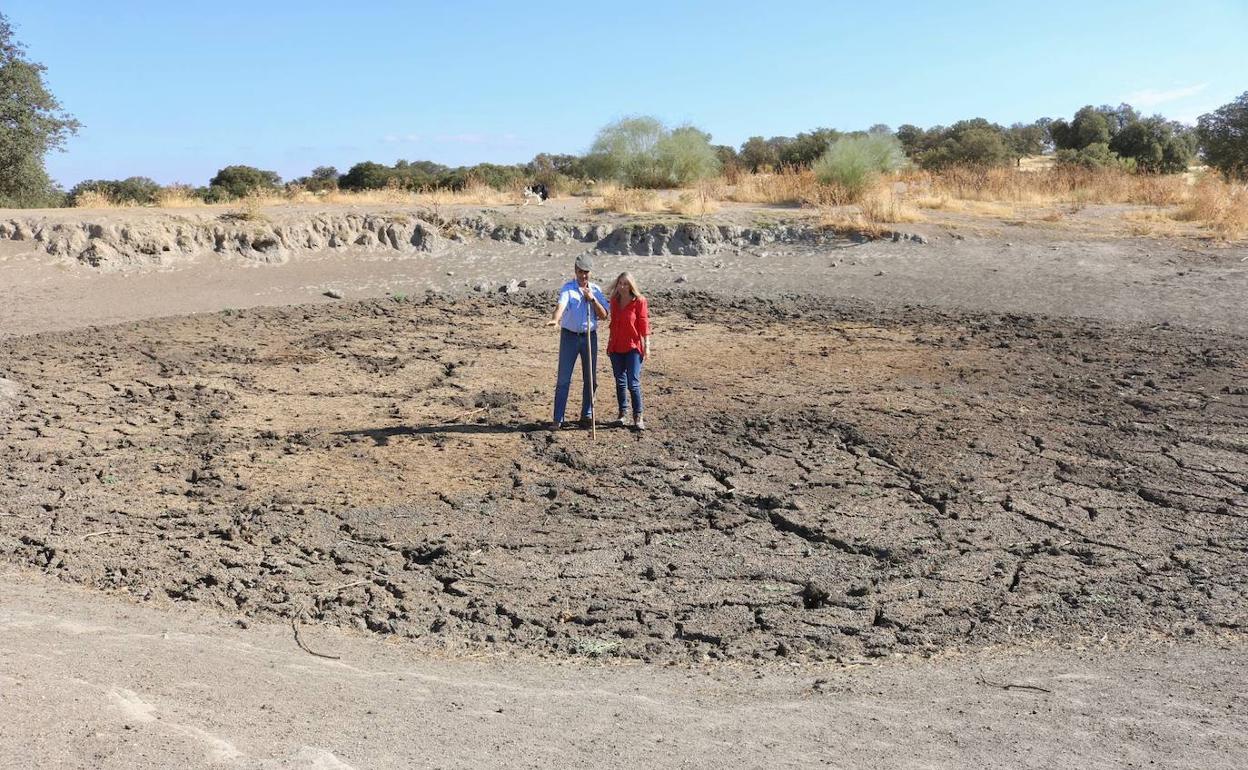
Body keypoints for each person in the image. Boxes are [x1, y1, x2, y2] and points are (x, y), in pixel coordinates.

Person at [546, 254, 609, 429]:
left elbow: (604, 315)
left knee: (590, 378)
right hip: (569, 337)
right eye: (580, 272)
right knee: (563, 379)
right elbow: (561, 306)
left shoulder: (596, 290)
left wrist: (592, 299)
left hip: (590, 337)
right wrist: (556, 320)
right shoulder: (568, 288)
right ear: (575, 271)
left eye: (586, 272)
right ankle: (558, 418)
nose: (583, 275)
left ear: (590, 273)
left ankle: (587, 414)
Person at [606, 271, 650, 430]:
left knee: (633, 383)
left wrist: (647, 344)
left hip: (633, 347)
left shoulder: (639, 301)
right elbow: (613, 324)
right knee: (620, 382)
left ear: (631, 285)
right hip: (616, 347)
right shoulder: (614, 301)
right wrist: (610, 344)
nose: (623, 287)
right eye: (620, 283)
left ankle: (638, 415)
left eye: (626, 284)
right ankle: (622, 413)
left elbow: (643, 323)